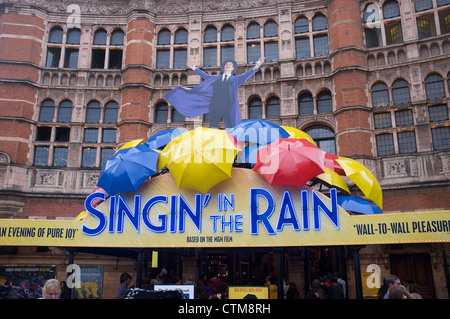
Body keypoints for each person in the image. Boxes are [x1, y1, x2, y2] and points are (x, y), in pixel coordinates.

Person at [164, 57, 265, 128]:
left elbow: (247, 74)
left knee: (232, 128)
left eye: (230, 65)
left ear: (233, 69)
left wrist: (258, 64)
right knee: (213, 126)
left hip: (229, 106)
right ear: (224, 68)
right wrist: (194, 68)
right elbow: (205, 76)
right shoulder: (216, 78)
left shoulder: (236, 79)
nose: (227, 65)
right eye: (226, 65)